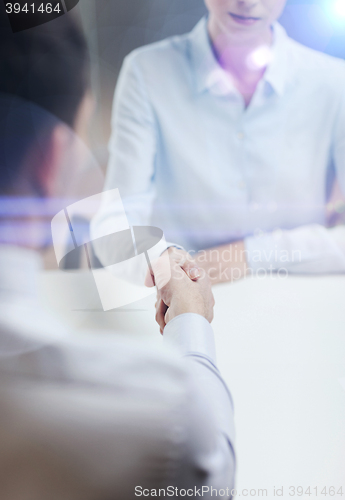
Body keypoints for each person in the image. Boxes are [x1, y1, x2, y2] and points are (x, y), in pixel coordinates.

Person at [0, 7, 235, 500]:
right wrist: (191, 326)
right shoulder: (158, 417)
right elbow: (209, 470)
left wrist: (147, 255)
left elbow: (61, 235)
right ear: (52, 159)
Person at [92, 0, 345, 285]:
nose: (247, 2)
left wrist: (252, 254)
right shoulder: (147, 73)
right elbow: (115, 223)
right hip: (182, 304)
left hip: (302, 307)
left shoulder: (334, 82)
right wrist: (161, 262)